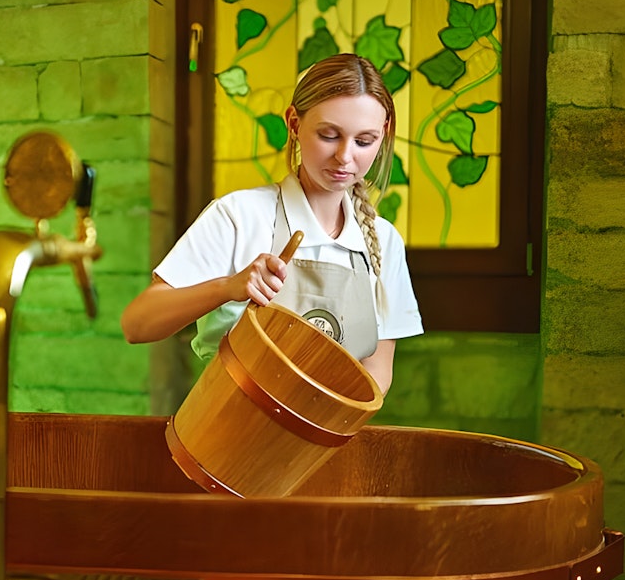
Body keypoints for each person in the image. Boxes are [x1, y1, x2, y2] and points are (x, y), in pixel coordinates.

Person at [121, 53, 423, 394]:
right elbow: (137, 324)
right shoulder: (239, 215)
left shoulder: (384, 241)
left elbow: (377, 375)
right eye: (328, 135)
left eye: (364, 141)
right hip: (225, 431)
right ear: (294, 123)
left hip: (326, 438)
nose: (345, 156)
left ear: (382, 135)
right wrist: (228, 287)